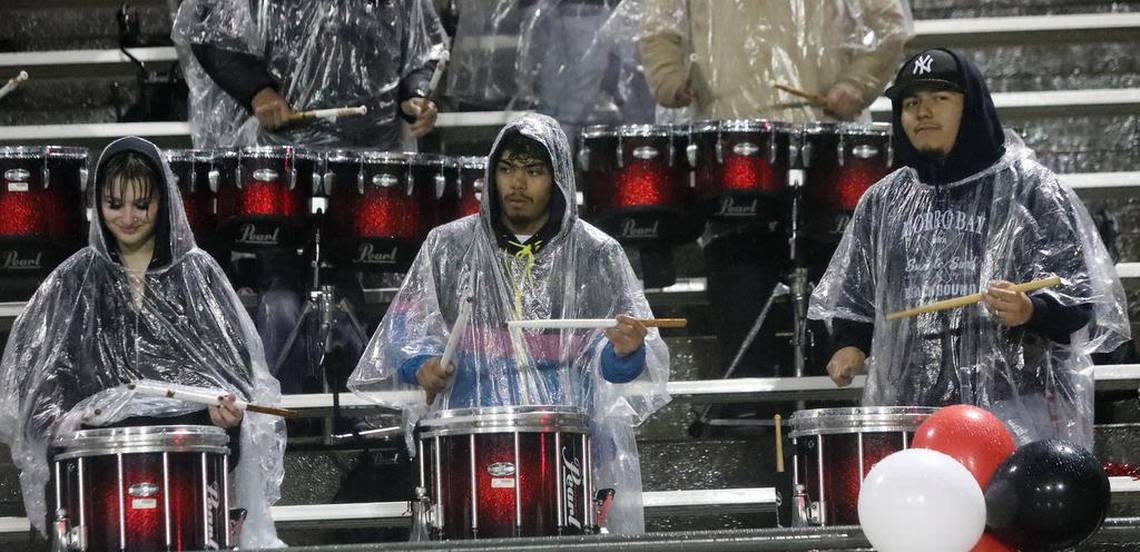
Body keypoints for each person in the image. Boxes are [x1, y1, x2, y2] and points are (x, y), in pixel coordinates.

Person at [348, 113, 670, 534]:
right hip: (467, 438)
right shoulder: (448, 245)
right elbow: (407, 333)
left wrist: (626, 350)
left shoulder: (597, 253)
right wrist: (421, 366)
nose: (517, 184)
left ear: (558, 179)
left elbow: (610, 368)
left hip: (564, 447)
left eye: (534, 172)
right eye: (506, 169)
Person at [810, 48, 1130, 448]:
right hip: (912, 411)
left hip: (1016, 410)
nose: (923, 112)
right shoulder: (883, 201)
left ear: (972, 106)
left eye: (939, 99)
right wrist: (848, 344)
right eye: (911, 103)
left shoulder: (1032, 189)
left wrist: (1032, 309)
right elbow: (855, 294)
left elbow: (1079, 297)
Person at [0, 137, 286, 548]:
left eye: (142, 205)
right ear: (97, 205)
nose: (128, 217)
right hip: (95, 460)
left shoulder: (198, 275)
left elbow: (233, 374)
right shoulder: (74, 280)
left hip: (185, 457)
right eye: (114, 205)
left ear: (163, 202)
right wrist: (62, 419)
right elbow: (46, 381)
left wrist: (227, 414)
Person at [627, 0, 914, 387]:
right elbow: (659, 23)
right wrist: (669, 78)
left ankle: (830, 395)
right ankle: (752, 401)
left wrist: (856, 84)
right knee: (737, 265)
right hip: (734, 142)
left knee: (831, 263)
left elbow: (890, 25)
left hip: (824, 138)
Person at [172, 0, 445, 149]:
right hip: (283, 154)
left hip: (376, 153)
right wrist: (257, 91)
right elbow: (206, 29)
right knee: (282, 248)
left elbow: (424, 47)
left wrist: (416, 94)